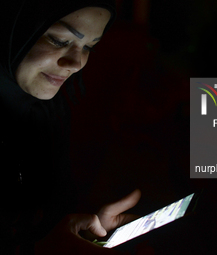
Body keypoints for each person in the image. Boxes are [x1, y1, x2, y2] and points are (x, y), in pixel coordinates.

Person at [0, 0, 143, 254]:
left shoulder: (49, 112)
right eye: (58, 40)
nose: (76, 63)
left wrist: (86, 231)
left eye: (89, 46)